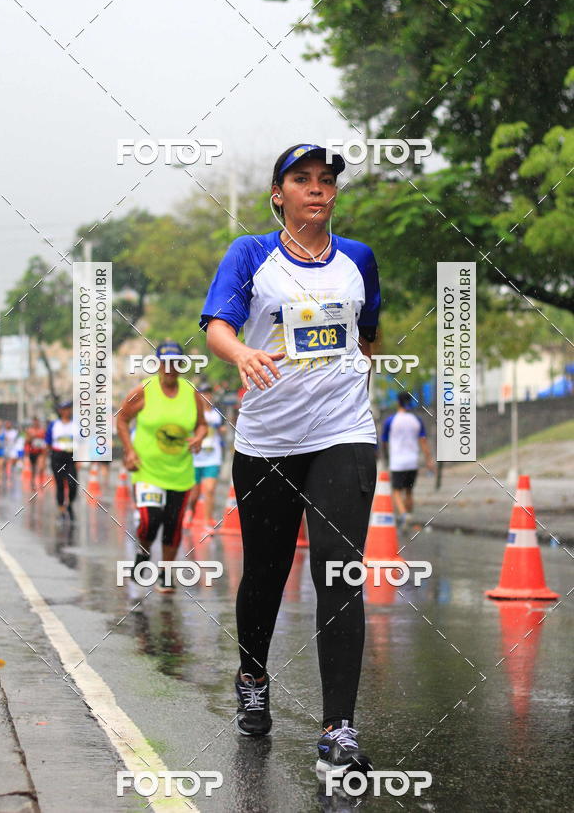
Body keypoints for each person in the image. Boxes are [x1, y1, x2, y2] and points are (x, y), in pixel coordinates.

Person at [200, 144, 381, 778]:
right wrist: (241, 356)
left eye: (325, 180)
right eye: (301, 180)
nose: (315, 189)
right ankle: (252, 674)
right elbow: (218, 325)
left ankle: (339, 727)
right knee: (267, 573)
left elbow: (368, 331)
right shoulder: (251, 253)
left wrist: (349, 374)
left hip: (345, 433)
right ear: (279, 194)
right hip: (268, 440)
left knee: (340, 574)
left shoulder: (359, 259)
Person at [117, 340, 207, 594]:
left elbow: (202, 424)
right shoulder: (144, 390)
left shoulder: (191, 392)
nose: (170, 368)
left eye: (175, 362)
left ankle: (165, 574)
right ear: (158, 364)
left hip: (180, 471)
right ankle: (143, 554)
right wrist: (130, 450)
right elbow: (122, 420)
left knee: (173, 524)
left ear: (181, 364)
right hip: (147, 470)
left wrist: (199, 436)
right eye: (165, 362)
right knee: (150, 520)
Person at [381, 391, 435, 526]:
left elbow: (384, 442)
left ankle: (404, 515)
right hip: (412, 463)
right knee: (409, 491)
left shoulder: (390, 421)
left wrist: (386, 458)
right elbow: (423, 442)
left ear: (398, 402)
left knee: (396, 491)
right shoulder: (417, 420)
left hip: (397, 463)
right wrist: (429, 460)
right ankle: (409, 515)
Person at [184, 382, 227, 529]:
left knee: (209, 490)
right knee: (194, 494)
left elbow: (223, 428)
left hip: (212, 456)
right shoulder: (191, 412)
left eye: (208, 393)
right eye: (203, 393)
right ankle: (190, 510)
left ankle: (207, 521)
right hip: (196, 457)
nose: (206, 396)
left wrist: (222, 430)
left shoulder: (217, 413)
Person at [48, 401, 77, 519]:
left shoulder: (75, 425)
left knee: (73, 484)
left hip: (71, 458)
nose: (68, 412)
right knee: (60, 484)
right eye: (65, 409)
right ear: (61, 411)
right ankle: (61, 509)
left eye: (69, 409)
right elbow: (48, 442)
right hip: (57, 457)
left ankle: (69, 504)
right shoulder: (54, 425)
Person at [25, 417, 47, 489]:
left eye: (37, 422)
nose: (36, 423)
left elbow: (46, 441)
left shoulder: (42, 430)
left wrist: (45, 450)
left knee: (41, 467)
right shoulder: (29, 430)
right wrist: (31, 437)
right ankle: (33, 482)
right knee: (33, 468)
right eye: (34, 422)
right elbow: (26, 441)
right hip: (32, 452)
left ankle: (41, 483)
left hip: (40, 452)